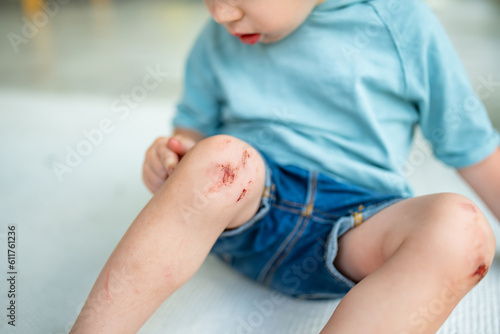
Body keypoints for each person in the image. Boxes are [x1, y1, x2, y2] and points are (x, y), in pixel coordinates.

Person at [70, 0, 499, 333]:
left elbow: (472, 145)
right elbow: (190, 134)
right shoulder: (221, 36)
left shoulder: (401, 24)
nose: (221, 13)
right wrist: (173, 159)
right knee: (219, 161)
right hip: (246, 212)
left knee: (462, 230)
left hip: (356, 233)